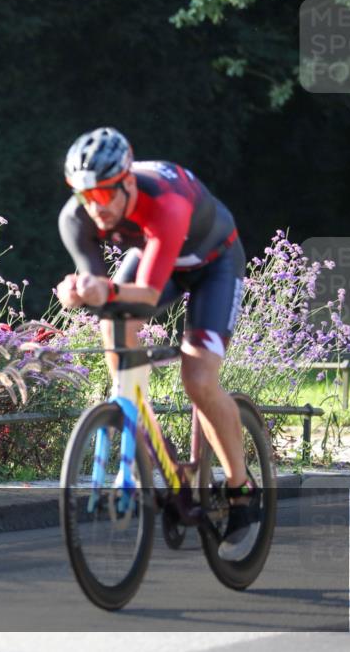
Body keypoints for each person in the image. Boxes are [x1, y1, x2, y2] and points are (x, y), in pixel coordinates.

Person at [55, 127, 258, 561]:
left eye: (105, 195)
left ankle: (241, 487)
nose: (97, 208)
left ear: (127, 182)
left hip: (214, 265)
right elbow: (101, 290)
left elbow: (145, 294)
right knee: (114, 331)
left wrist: (98, 292)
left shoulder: (166, 201)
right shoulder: (76, 218)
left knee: (198, 379)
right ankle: (150, 437)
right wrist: (78, 290)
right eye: (85, 196)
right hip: (157, 257)